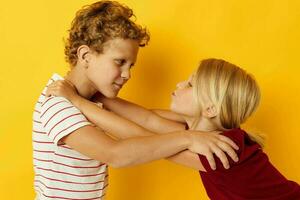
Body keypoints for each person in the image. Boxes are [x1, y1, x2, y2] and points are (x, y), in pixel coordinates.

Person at [32, 1, 238, 199]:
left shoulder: (90, 100)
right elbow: (115, 154)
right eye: (120, 62)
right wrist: (189, 138)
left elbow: (150, 118)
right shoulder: (58, 104)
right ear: (86, 56)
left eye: (130, 66)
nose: (127, 74)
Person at [48, 58, 300, 199]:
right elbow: (146, 119)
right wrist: (100, 96)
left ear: (210, 109)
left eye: (190, 84)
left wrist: (78, 101)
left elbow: (145, 139)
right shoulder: (195, 130)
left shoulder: (222, 150)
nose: (180, 83)